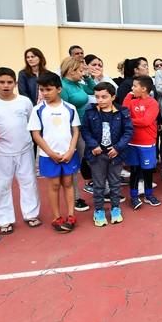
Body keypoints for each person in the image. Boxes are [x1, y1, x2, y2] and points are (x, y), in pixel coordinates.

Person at [0, 68, 41, 234]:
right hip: (0, 152)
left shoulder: (24, 102)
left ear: (15, 83)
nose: (6, 86)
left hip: (25, 149)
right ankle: (4, 219)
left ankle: (31, 214)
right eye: (2, 82)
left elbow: (31, 123)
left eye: (9, 82)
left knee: (29, 182)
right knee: (1, 186)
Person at [27, 72, 81, 233]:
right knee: (54, 185)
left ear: (59, 89)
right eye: (42, 90)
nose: (44, 93)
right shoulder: (38, 110)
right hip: (48, 156)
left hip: (68, 154)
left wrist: (71, 150)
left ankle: (71, 215)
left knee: (68, 183)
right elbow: (35, 134)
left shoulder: (70, 108)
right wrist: (50, 153)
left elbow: (75, 131)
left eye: (48, 89)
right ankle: (57, 217)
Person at [81, 82, 133, 227]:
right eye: (97, 97)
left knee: (115, 183)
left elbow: (128, 131)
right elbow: (85, 130)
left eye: (104, 97)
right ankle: (99, 210)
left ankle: (115, 208)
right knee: (98, 185)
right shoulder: (90, 112)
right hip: (97, 154)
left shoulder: (122, 112)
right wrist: (93, 145)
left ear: (113, 96)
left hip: (116, 154)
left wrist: (118, 148)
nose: (100, 100)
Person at [60, 56, 96, 210]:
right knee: (74, 163)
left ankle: (98, 189)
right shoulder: (64, 86)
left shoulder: (77, 84)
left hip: (83, 127)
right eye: (80, 71)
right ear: (71, 70)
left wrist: (87, 77)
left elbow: (93, 89)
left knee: (86, 160)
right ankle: (74, 198)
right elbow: (64, 110)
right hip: (72, 129)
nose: (82, 73)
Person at [123, 76, 160, 208]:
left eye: (134, 86)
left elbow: (146, 121)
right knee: (134, 170)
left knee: (148, 171)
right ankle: (133, 196)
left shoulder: (153, 103)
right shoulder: (132, 102)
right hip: (133, 142)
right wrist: (128, 96)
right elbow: (124, 112)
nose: (132, 89)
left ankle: (149, 195)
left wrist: (130, 121)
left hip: (147, 143)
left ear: (143, 89)